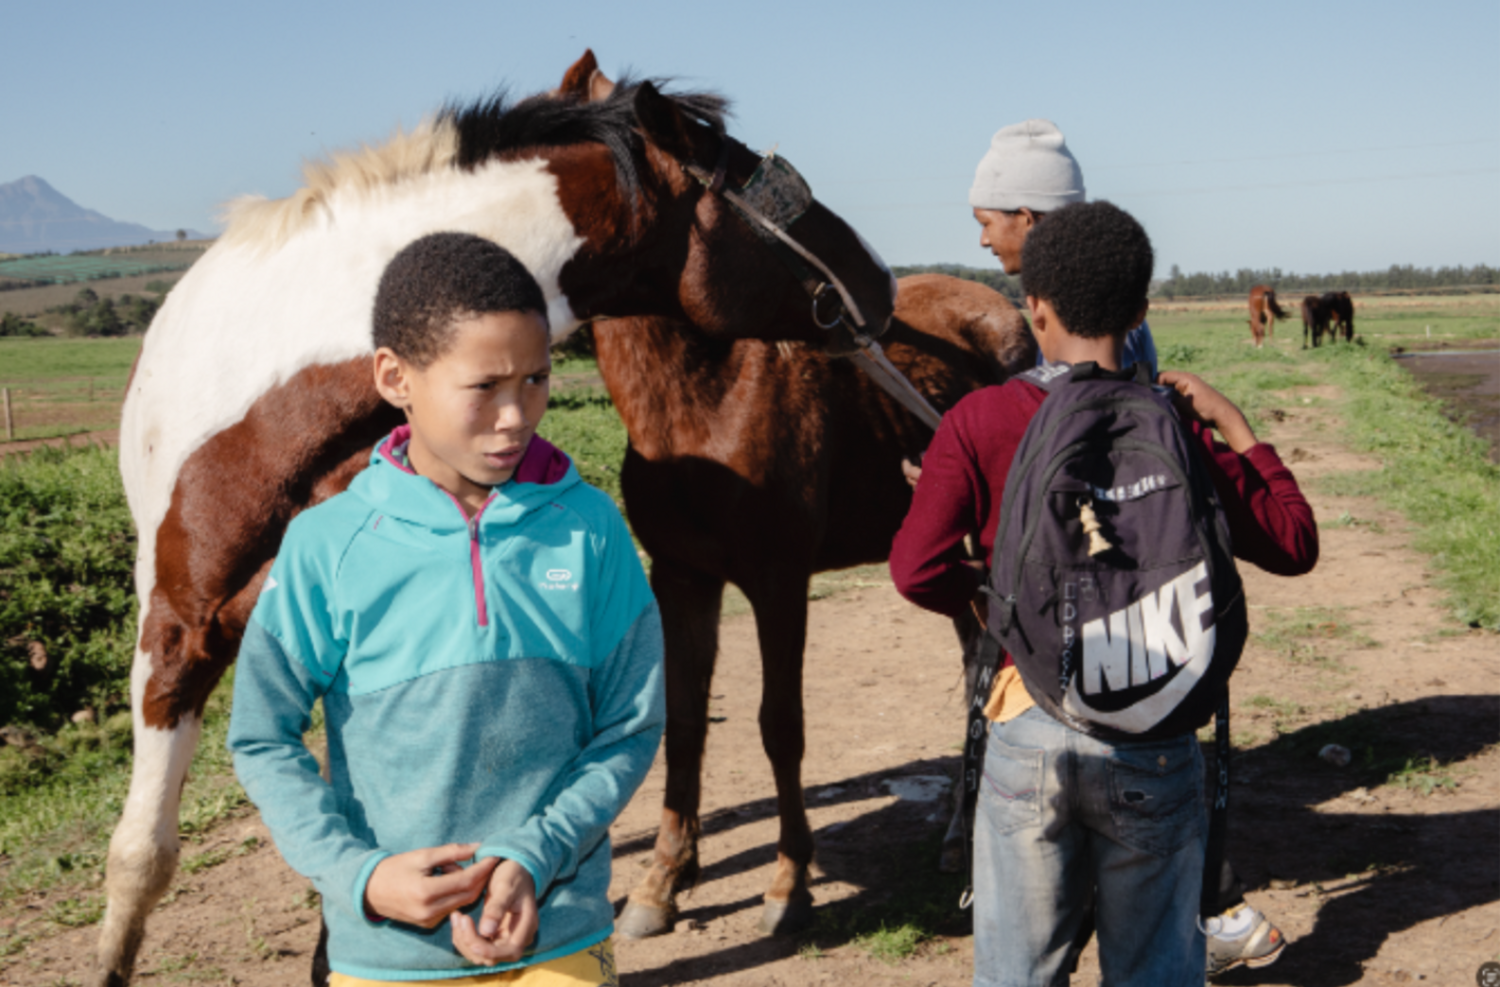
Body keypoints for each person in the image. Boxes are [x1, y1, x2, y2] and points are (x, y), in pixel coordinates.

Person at [890, 202, 1318, 985]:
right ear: (1141, 312)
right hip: (1156, 740)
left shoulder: (979, 419)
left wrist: (999, 601)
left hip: (1029, 726)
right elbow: (1294, 543)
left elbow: (915, 568)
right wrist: (1236, 424)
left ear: (1036, 307)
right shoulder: (1175, 426)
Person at [227, 233, 664, 984]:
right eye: (484, 386)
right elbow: (263, 737)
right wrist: (360, 875)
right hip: (387, 956)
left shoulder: (588, 528)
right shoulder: (328, 545)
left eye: (535, 379)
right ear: (396, 376)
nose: (515, 414)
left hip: (558, 934)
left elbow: (631, 721)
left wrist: (538, 852)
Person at [969, 118, 1159, 375]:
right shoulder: (1113, 296)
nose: (984, 240)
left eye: (986, 223)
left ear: (1026, 219)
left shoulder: (1082, 315)